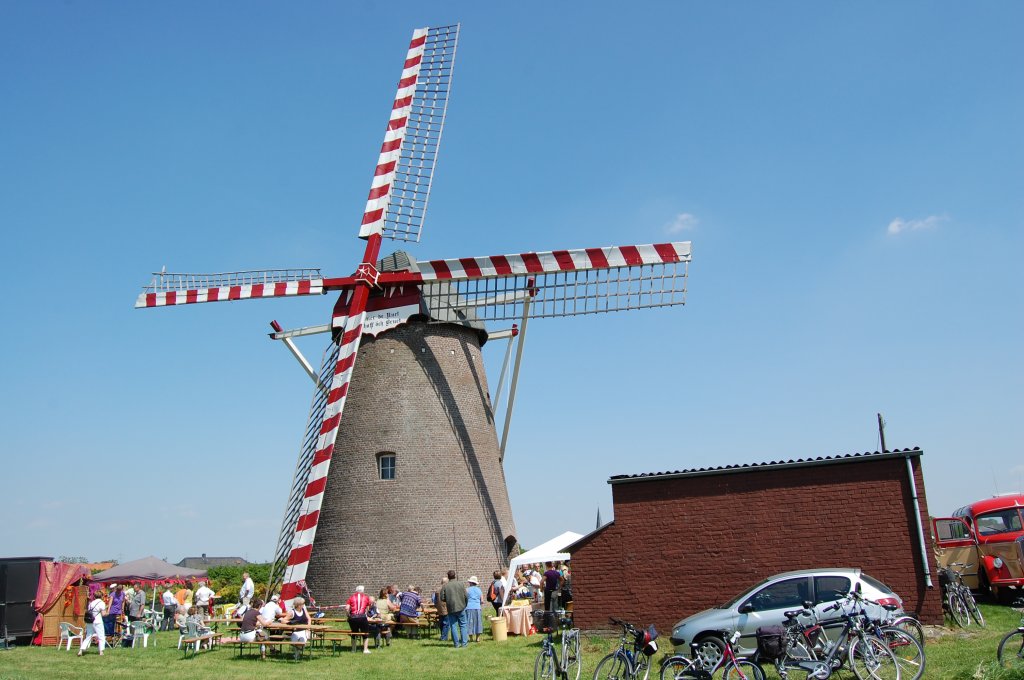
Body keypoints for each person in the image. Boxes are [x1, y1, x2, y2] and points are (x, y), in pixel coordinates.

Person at [440, 570, 468, 648]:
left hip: (451, 608)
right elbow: (466, 596)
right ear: (455, 575)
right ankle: (464, 644)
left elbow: (442, 597)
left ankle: (456, 644)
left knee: (453, 626)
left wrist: (448, 600)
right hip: (461, 607)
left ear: (448, 577)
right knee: (463, 625)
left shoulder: (445, 586)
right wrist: (465, 604)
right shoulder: (461, 584)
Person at [345, 586, 373, 654]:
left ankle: (353, 649)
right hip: (362, 617)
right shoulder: (366, 597)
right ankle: (365, 650)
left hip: (353, 617)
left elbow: (347, 608)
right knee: (365, 633)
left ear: (356, 590)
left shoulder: (351, 597)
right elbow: (368, 608)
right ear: (362, 591)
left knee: (354, 632)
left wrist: (348, 615)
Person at [78, 591, 107, 656]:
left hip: (90, 621)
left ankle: (81, 650)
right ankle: (101, 651)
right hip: (98, 621)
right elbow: (103, 614)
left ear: (94, 596)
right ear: (101, 596)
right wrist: (107, 613)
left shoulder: (91, 603)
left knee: (88, 636)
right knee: (101, 636)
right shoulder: (102, 603)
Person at [465, 576, 483, 642]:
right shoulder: (479, 590)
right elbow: (482, 600)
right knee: (478, 622)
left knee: (469, 622)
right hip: (477, 607)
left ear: (470, 582)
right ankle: (477, 638)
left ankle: (471, 638)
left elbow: (465, 599)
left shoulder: (467, 590)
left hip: (468, 607)